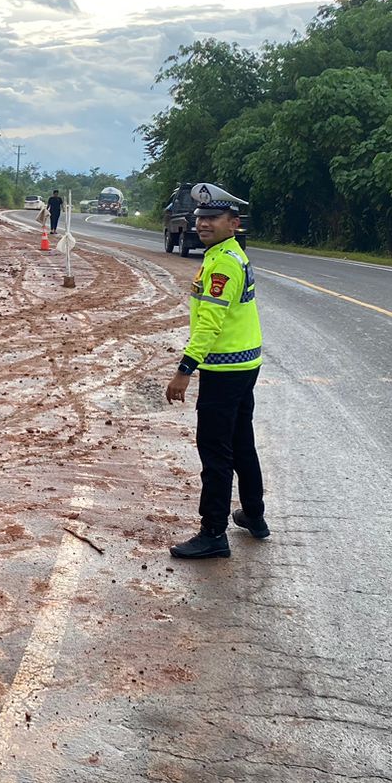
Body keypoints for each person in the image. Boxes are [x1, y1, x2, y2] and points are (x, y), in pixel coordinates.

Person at [163, 193, 266, 559]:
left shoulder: (222, 264)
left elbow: (209, 323)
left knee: (215, 452)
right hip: (244, 363)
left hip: (224, 369)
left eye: (214, 218)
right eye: (200, 217)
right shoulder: (231, 254)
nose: (203, 224)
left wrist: (185, 370)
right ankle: (254, 515)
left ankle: (213, 533)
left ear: (234, 223)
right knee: (240, 442)